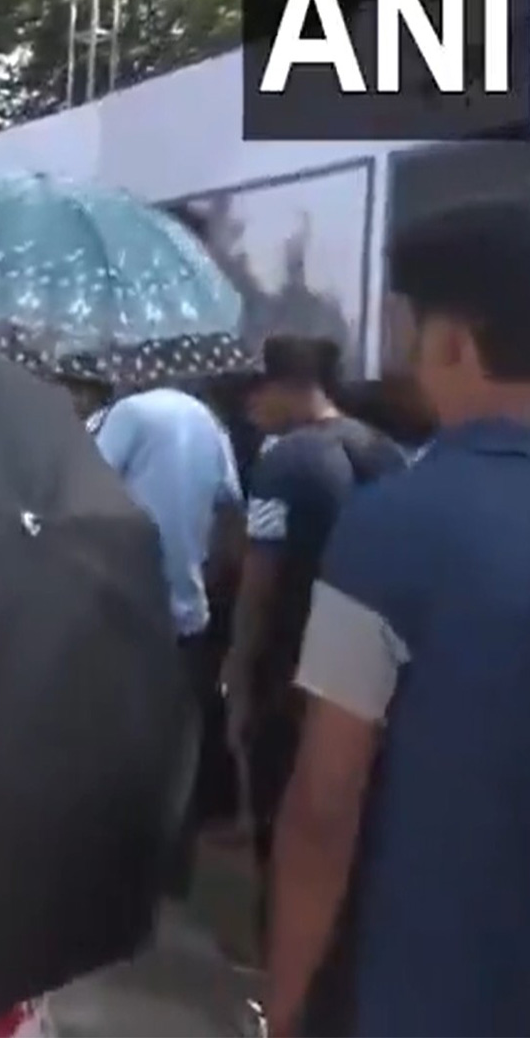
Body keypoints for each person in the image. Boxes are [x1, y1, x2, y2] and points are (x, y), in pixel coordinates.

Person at [264, 202, 530, 1036]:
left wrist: (282, 1002)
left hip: (430, 994)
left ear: (454, 342)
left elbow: (324, 802)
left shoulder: (396, 525)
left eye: (409, 333)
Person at [221, 334, 406, 968]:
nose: (252, 407)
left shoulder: (283, 465)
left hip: (290, 669)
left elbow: (260, 579)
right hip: (371, 675)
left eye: (258, 392)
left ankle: (276, 957)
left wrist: (239, 671)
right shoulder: (384, 453)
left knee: (284, 818)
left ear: (281, 388)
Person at [93, 383, 244, 894]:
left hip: (122, 608)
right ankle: (169, 873)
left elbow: (83, 491)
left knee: (112, 746)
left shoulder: (128, 413)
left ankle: (109, 874)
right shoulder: (210, 423)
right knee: (179, 750)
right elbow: (230, 516)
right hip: (188, 614)